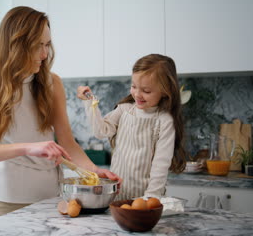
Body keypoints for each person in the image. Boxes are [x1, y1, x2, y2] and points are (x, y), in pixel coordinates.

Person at [0, 6, 120, 219]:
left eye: (47, 45)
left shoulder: (53, 83)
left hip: (51, 199)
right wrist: (28, 148)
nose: (44, 54)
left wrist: (94, 172)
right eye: (37, 46)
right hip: (8, 201)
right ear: (16, 44)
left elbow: (68, 143)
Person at [77, 54, 186, 200]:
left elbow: (160, 164)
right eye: (134, 86)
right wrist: (89, 103)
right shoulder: (124, 110)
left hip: (145, 199)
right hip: (115, 196)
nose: (137, 94)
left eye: (146, 91)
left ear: (165, 91)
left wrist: (150, 198)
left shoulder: (164, 121)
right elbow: (100, 131)